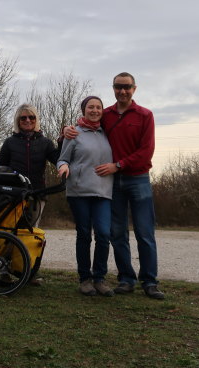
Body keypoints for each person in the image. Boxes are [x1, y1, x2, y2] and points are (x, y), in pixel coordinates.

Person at [64, 73, 164, 299]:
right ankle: (126, 279)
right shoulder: (106, 115)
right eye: (118, 87)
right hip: (112, 183)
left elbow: (146, 151)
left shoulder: (145, 115)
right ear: (113, 89)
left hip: (137, 178)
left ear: (134, 89)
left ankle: (149, 281)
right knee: (116, 233)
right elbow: (86, 128)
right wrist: (67, 131)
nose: (123, 91)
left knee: (144, 233)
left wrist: (118, 165)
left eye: (127, 87)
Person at [57, 96, 114, 296]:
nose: (95, 110)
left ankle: (99, 278)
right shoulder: (74, 133)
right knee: (84, 234)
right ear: (84, 110)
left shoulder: (108, 133)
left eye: (98, 107)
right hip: (79, 191)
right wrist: (63, 167)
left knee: (104, 234)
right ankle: (85, 279)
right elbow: (62, 159)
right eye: (91, 107)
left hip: (103, 192)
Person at [0, 103, 59, 227]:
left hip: (37, 194)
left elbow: (59, 160)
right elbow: (0, 167)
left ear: (36, 120)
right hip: (14, 195)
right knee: (10, 230)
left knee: (31, 231)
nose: (28, 120)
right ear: (18, 121)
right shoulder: (9, 142)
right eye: (23, 118)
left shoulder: (46, 143)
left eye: (31, 117)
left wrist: (63, 142)